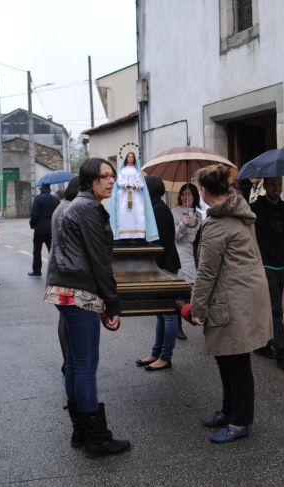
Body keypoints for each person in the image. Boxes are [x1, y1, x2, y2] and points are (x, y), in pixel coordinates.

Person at [46, 158, 130, 458]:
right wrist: (113, 304)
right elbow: (99, 259)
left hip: (62, 289)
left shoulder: (70, 205)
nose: (111, 181)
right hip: (79, 291)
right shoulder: (88, 208)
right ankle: (97, 438)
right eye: (105, 176)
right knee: (85, 365)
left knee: (73, 363)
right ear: (90, 180)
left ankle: (81, 430)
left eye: (113, 176)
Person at [190, 164, 272, 444]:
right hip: (241, 295)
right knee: (227, 357)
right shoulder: (239, 213)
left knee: (236, 361)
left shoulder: (218, 226)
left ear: (203, 191)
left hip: (232, 298)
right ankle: (228, 410)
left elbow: (206, 272)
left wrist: (197, 308)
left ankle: (240, 421)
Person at [250, 177, 284, 372]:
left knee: (270, 307)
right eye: (273, 185)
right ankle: (282, 353)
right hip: (265, 265)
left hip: (282, 264)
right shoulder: (255, 208)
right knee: (276, 309)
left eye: (279, 185)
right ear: (266, 186)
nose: (277, 189)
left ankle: (262, 344)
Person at [135, 176, 181, 372]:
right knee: (160, 315)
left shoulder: (159, 210)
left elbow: (158, 243)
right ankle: (156, 352)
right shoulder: (154, 209)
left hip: (165, 266)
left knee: (168, 314)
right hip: (159, 266)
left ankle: (165, 356)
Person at [49, 177, 80, 376]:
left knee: (64, 318)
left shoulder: (61, 206)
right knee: (69, 320)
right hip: (65, 273)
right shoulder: (70, 209)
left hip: (57, 271)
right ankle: (69, 361)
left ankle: (67, 360)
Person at [171, 183, 202, 340]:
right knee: (179, 291)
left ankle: (190, 316)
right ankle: (178, 326)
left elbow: (195, 238)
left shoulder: (198, 215)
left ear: (195, 197)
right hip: (179, 253)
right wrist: (183, 224)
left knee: (191, 291)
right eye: (183, 194)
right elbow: (175, 237)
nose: (185, 197)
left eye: (189, 194)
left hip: (192, 255)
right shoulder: (174, 212)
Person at [107, 151, 159, 243]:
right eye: (129, 157)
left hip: (136, 195)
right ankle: (124, 234)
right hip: (124, 195)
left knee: (138, 213)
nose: (130, 158)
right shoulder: (122, 170)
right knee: (123, 213)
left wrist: (136, 186)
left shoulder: (136, 170)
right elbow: (119, 181)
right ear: (126, 158)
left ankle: (138, 234)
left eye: (132, 157)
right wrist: (126, 185)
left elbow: (141, 183)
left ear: (134, 159)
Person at [28, 182, 60, 278]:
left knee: (37, 251)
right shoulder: (55, 200)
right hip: (51, 229)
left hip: (39, 230)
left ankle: (37, 271)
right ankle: (55, 272)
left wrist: (32, 224)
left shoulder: (38, 199)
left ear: (41, 189)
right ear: (49, 189)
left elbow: (34, 215)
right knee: (52, 251)